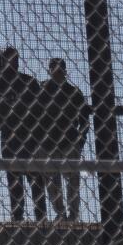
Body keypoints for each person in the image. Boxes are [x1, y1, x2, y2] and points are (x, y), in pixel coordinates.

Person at [0, 46, 49, 221]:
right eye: (9, 59)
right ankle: (18, 217)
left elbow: (38, 108)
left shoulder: (27, 81)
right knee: (15, 181)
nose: (13, 63)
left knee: (35, 181)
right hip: (11, 138)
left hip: (29, 137)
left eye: (14, 59)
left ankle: (40, 219)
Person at [39, 58, 90, 222]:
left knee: (72, 179)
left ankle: (72, 214)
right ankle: (61, 212)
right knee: (53, 181)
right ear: (50, 71)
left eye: (60, 70)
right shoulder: (42, 90)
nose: (58, 73)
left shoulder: (73, 92)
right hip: (49, 141)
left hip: (69, 140)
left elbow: (84, 119)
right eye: (55, 70)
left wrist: (80, 141)